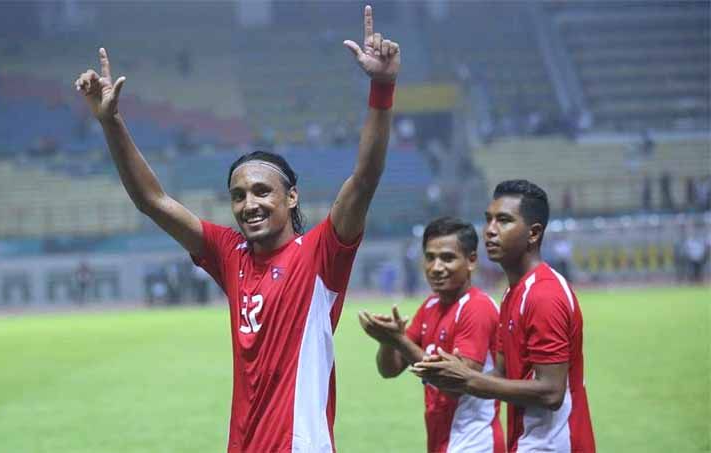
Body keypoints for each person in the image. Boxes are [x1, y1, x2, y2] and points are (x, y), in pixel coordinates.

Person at [74, 6, 400, 452]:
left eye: (263, 192)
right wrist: (111, 123)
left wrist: (382, 87)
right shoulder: (230, 253)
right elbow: (152, 201)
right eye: (239, 195)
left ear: (292, 197)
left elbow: (364, 178)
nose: (249, 204)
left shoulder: (321, 253)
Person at [410, 180, 595, 453]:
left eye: (504, 221)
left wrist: (468, 379)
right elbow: (501, 374)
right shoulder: (512, 294)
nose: (490, 231)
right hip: (527, 442)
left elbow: (552, 392)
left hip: (556, 445)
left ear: (533, 233)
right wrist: (449, 373)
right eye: (489, 220)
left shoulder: (544, 295)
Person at [358, 217, 504, 453]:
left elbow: (456, 383)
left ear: (471, 261)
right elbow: (390, 369)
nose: (436, 267)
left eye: (447, 258)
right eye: (430, 257)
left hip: (476, 443)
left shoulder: (477, 308)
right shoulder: (430, 306)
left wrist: (399, 340)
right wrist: (386, 341)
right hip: (443, 441)